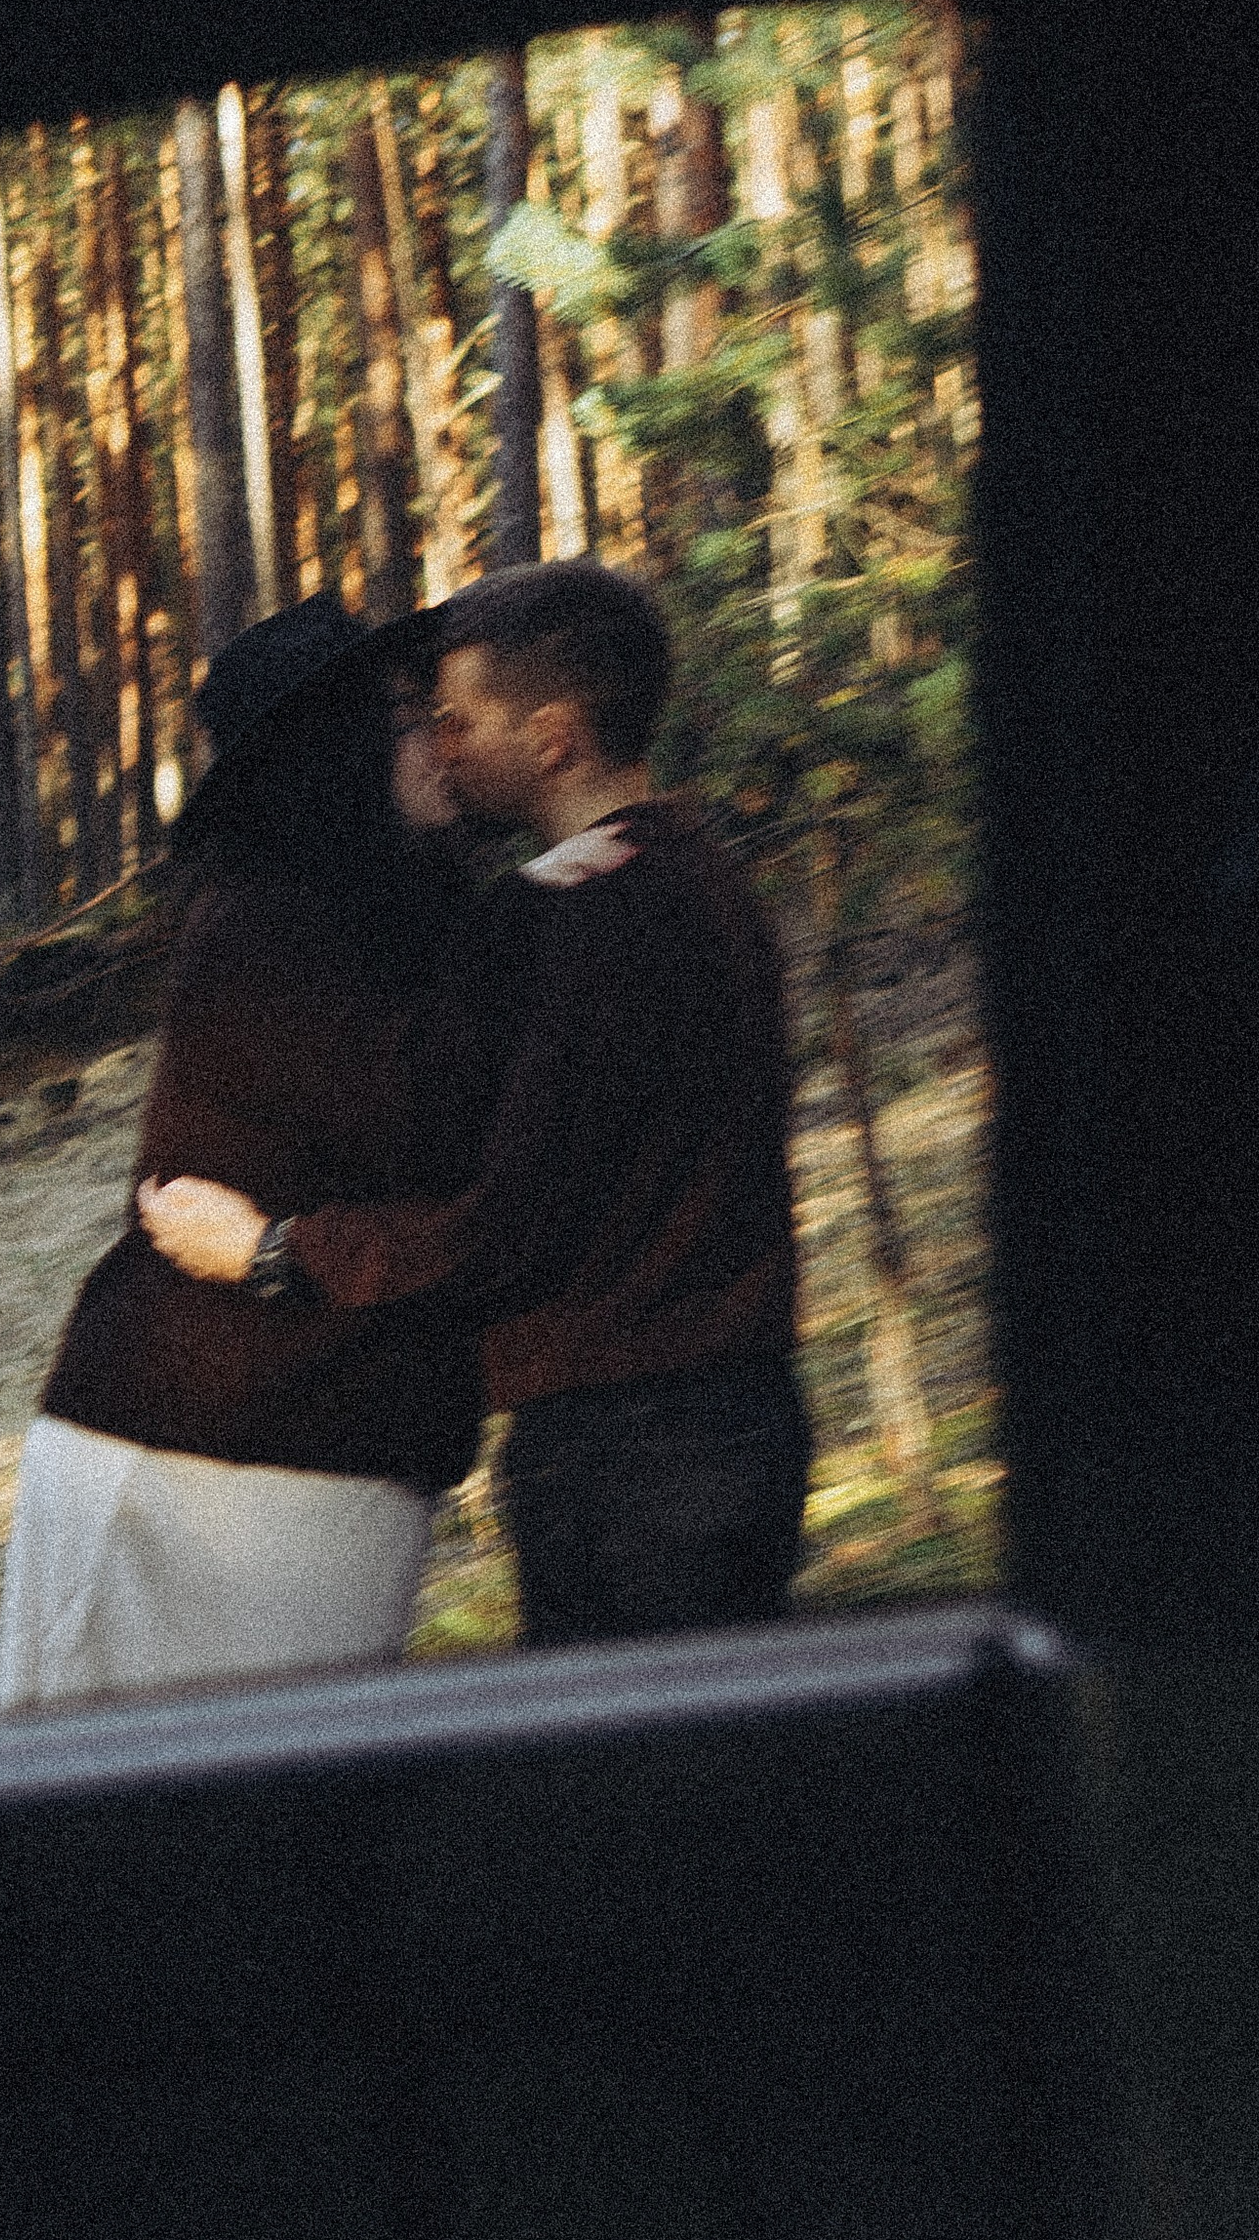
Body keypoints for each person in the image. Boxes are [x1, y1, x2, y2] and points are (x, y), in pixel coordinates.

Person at [140, 559, 809, 1645]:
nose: (440, 748)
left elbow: (507, 1227)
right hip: (728, 1419)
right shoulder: (700, 878)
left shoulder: (570, 920)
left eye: (456, 722)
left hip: (627, 1448)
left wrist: (271, 1250)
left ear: (550, 738)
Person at [0, 593, 481, 1711]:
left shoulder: (404, 921)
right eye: (413, 711)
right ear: (343, 747)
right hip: (197, 1463)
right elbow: (457, 1176)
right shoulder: (274, 931)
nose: (444, 736)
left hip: (322, 1453)